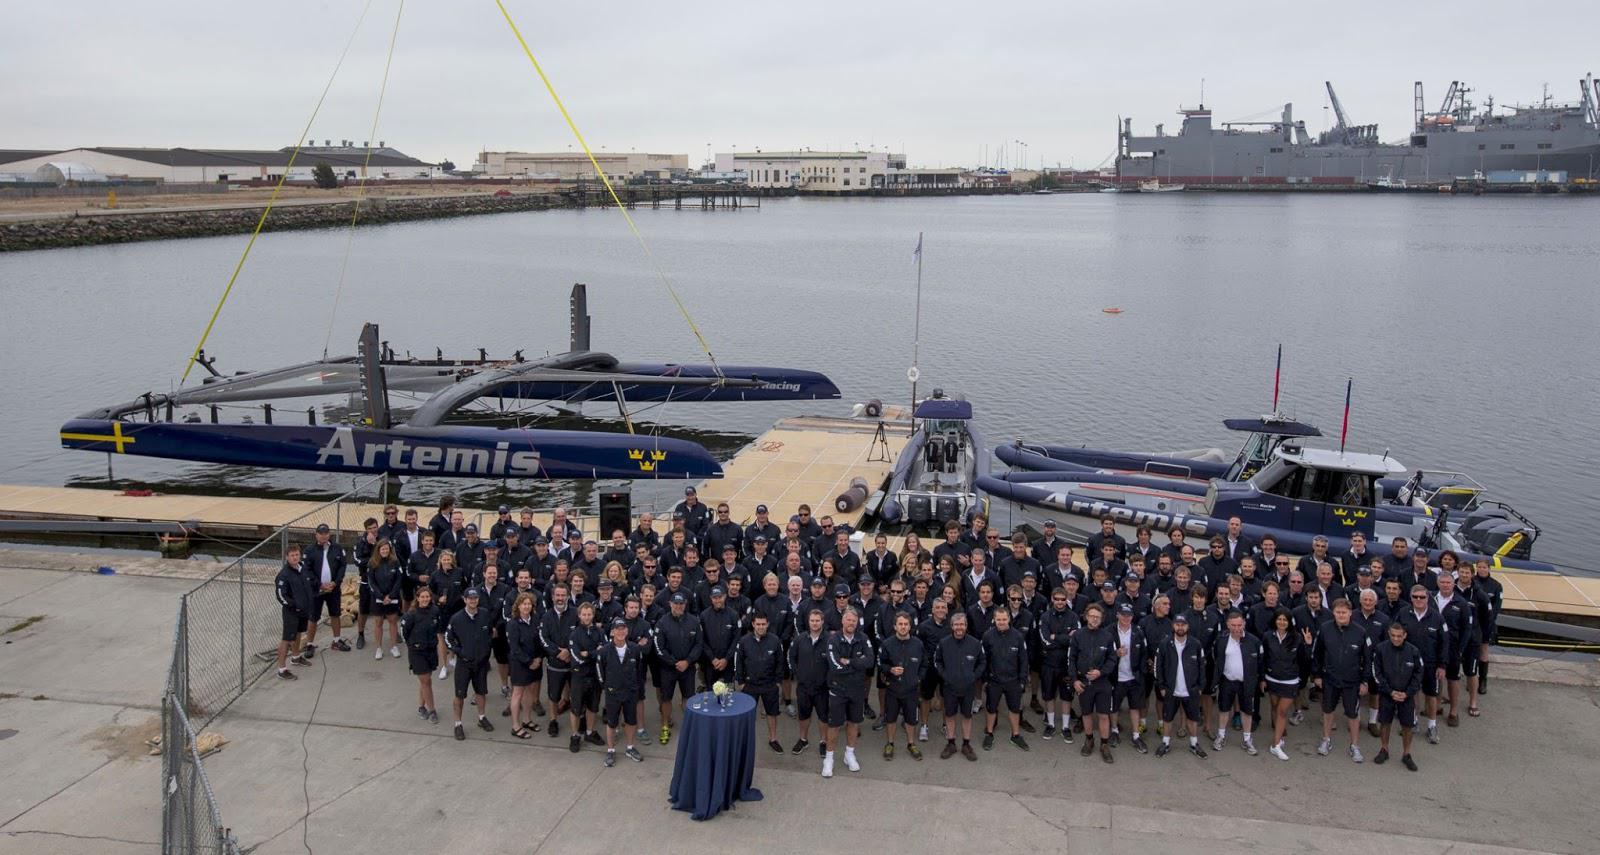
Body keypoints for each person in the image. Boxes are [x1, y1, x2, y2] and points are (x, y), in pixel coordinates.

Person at [1314, 599, 1369, 763]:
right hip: (1330, 679)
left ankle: (1354, 745)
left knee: (1352, 714)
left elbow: (1367, 659)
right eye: (1338, 612)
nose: (1341, 615)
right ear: (1333, 613)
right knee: (1328, 710)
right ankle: (1326, 740)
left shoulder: (1360, 632)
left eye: (1344, 612)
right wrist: (1317, 675)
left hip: (1352, 681)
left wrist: (1365, 681)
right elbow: (1317, 654)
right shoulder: (1325, 629)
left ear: (1350, 613)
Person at [821, 608, 872, 778]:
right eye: (848, 620)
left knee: (854, 722)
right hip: (838, 688)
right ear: (842, 621)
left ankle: (849, 754)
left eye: (854, 621)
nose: (851, 623)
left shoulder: (863, 638)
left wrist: (849, 662)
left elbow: (870, 660)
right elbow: (834, 665)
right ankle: (829, 758)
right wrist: (857, 664)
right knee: (834, 725)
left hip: (857, 689)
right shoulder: (833, 639)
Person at [1397, 584, 1447, 745]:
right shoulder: (1403, 614)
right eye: (1415, 597)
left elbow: (1444, 643)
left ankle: (1432, 726)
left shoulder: (1437, 617)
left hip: (1431, 663)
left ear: (1427, 598)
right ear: (1411, 598)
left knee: (1431, 695)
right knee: (1412, 693)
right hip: (1409, 662)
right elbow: (1395, 636)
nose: (1419, 600)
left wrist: (1442, 665)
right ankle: (1414, 720)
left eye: (1422, 597)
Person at [1371, 620, 1423, 771]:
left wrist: (1407, 693)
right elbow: (1377, 672)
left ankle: (1406, 754)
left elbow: (1419, 674)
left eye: (1399, 636)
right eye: (1393, 635)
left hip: (1406, 696)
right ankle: (1384, 750)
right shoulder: (1380, 649)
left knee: (1407, 725)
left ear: (1405, 635)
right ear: (1389, 634)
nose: (1395, 639)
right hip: (1388, 694)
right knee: (1385, 722)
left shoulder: (1413, 651)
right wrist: (1390, 691)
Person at [444, 588, 495, 741]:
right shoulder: (456, 618)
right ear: (465, 600)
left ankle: (482, 717)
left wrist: (486, 650)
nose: (473, 601)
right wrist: (459, 651)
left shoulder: (485, 614)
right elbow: (448, 638)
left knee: (481, 692)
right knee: (459, 695)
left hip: (481, 663)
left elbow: (489, 633)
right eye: (470, 598)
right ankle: (458, 724)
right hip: (464, 664)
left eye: (475, 598)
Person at [1070, 602, 1119, 764]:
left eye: (1097, 617)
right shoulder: (1077, 636)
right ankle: (1089, 740)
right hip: (1083, 683)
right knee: (1086, 714)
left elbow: (1112, 659)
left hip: (1103, 682)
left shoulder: (1107, 636)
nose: (1094, 619)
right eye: (1091, 616)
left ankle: (1104, 745)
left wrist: (1101, 672)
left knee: (1104, 715)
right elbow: (1071, 660)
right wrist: (1075, 680)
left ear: (1102, 619)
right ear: (1086, 617)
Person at [1153, 613, 1207, 757]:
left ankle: (1194, 743)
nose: (1180, 627)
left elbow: (1202, 666)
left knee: (1193, 718)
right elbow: (1158, 666)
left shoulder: (1195, 644)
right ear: (1173, 626)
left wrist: (1200, 687)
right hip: (1171, 690)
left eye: (1183, 624)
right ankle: (1165, 742)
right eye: (1177, 624)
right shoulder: (1165, 643)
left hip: (1191, 690)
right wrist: (1162, 686)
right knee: (1168, 718)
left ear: (1188, 626)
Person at [652, 591, 701, 746]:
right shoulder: (662, 622)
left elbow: (699, 645)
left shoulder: (694, 621)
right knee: (666, 699)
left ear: (685, 605)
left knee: (688, 698)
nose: (678, 606)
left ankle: (689, 727)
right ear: (670, 604)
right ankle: (665, 726)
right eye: (676, 603)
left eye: (681, 604)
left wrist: (687, 661)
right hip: (668, 668)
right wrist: (674, 663)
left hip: (688, 667)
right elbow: (659, 647)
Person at [1211, 611, 1262, 755]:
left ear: (1244, 624)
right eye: (1233, 625)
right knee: (1223, 709)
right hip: (1227, 681)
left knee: (1247, 711)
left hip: (1246, 682)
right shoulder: (1221, 640)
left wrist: (1259, 680)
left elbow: (1260, 662)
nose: (1237, 628)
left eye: (1240, 625)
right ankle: (1221, 736)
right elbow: (1217, 658)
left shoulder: (1254, 641)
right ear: (1227, 625)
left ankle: (1247, 739)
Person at [736, 612, 788, 753]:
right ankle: (746, 740)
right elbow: (739, 663)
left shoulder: (775, 640)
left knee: (772, 713)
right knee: (748, 714)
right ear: (753, 624)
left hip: (769, 685)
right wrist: (741, 682)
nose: (760, 627)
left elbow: (780, 663)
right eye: (758, 624)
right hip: (749, 685)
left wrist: (777, 682)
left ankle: (773, 739)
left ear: (768, 624)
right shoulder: (744, 641)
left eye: (763, 624)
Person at [935, 612, 984, 761]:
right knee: (949, 715)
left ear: (966, 626)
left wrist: (973, 676)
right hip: (950, 687)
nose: (959, 627)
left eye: (962, 624)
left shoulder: (975, 643)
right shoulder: (944, 643)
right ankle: (951, 743)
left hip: (968, 687)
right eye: (956, 624)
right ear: (951, 626)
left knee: (967, 716)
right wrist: (945, 676)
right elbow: (937, 662)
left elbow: (982, 662)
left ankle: (966, 744)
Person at [981, 605, 1030, 752]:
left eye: (1004, 619)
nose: (1001, 622)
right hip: (994, 681)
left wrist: (1022, 680)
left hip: (1013, 681)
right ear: (994, 620)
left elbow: (1024, 660)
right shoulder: (987, 636)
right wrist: (985, 679)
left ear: (1009, 619)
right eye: (998, 619)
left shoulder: (1018, 636)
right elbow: (983, 659)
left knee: (1014, 709)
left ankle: (1015, 735)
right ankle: (989, 733)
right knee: (991, 708)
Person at [877, 612, 926, 760]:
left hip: (911, 690)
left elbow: (925, 663)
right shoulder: (887, 644)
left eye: (906, 624)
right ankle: (890, 743)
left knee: (911, 720)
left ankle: (911, 744)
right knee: (890, 718)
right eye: (900, 624)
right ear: (895, 626)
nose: (903, 627)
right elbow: (881, 664)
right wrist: (890, 670)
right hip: (892, 689)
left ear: (910, 626)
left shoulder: (918, 644)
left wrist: (918, 678)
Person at [598, 618, 645, 767]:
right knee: (612, 722)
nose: (621, 631)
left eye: (623, 628)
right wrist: (607, 687)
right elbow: (600, 673)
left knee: (631, 721)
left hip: (631, 692)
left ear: (627, 631)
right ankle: (611, 750)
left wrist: (637, 689)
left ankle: (630, 748)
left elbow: (640, 671)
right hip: (613, 693)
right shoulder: (604, 651)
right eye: (617, 628)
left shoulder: (635, 649)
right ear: (612, 631)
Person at [1037, 586, 1079, 743]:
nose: (1060, 602)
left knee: (1067, 697)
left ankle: (1066, 727)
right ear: (1052, 599)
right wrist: (1063, 638)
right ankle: (1051, 724)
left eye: (1063, 599)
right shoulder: (1045, 617)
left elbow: (1075, 641)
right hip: (1049, 663)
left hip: (1067, 664)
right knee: (1049, 695)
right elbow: (1045, 641)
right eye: (1057, 599)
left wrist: (1056, 637)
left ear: (1066, 599)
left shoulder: (1074, 617)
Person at [1261, 607, 1303, 761]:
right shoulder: (1267, 636)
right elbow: (1263, 658)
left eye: (1285, 619)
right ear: (1275, 620)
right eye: (1279, 619)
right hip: (1271, 678)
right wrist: (1262, 678)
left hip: (1290, 680)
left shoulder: (1297, 637)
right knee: (1274, 706)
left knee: (1282, 711)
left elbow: (1302, 659)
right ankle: (1278, 732)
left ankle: (1276, 744)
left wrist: (1309, 644)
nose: (1282, 622)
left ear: (1289, 622)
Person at [302, 523, 351, 656]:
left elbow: (342, 566)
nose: (324, 536)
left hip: (333, 589)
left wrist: (335, 582)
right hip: (316, 590)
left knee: (335, 614)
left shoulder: (337, 548)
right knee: (313, 617)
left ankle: (336, 641)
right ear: (316, 535)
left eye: (326, 533)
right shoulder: (309, 550)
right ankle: (310, 645)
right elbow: (307, 571)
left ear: (329, 534)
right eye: (321, 533)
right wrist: (320, 585)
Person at [1108, 603, 1149, 753]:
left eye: (1129, 615)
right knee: (1114, 707)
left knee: (1135, 707)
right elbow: (1103, 653)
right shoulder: (1109, 631)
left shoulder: (1138, 631)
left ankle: (1136, 735)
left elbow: (1145, 652)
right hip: (1116, 677)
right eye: (1123, 614)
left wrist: (1141, 672)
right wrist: (1115, 653)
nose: (1126, 618)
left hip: (1134, 677)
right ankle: (1114, 731)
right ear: (1117, 614)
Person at [789, 608, 831, 756]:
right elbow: (791, 657)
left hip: (823, 688)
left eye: (817, 621)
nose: (814, 623)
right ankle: (803, 739)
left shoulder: (830, 640)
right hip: (804, 687)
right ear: (808, 622)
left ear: (822, 621)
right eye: (812, 620)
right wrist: (797, 673)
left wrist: (828, 680)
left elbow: (834, 662)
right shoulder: (800, 639)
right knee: (803, 715)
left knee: (823, 717)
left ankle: (823, 742)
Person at [565, 602, 606, 752]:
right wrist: (594, 652)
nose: (587, 617)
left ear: (593, 615)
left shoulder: (600, 632)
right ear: (579, 615)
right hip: (579, 676)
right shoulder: (574, 634)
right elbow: (577, 658)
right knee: (576, 708)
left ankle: (589, 732)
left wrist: (588, 653)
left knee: (593, 706)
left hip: (595, 675)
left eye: (590, 614)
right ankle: (575, 735)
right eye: (584, 614)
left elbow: (604, 651)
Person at [539, 583, 578, 737]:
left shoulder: (576, 614)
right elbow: (543, 637)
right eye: (558, 595)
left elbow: (581, 634)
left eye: (563, 595)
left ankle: (578, 720)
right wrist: (557, 652)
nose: (560, 598)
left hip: (573, 663)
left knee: (576, 695)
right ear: (553, 597)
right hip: (555, 663)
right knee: (553, 695)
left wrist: (569, 651)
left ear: (568, 596)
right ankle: (553, 721)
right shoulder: (546, 616)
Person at [399, 586, 442, 723]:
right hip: (417, 652)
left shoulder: (435, 610)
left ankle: (421, 707)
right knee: (426, 681)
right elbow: (404, 632)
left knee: (425, 681)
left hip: (431, 650)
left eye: (427, 597)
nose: (425, 599)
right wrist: (412, 645)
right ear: (417, 598)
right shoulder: (411, 614)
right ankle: (432, 710)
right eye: (422, 597)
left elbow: (437, 627)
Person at [506, 591, 544, 738]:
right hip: (520, 664)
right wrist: (529, 662)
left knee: (529, 692)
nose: (527, 606)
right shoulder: (513, 623)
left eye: (529, 604)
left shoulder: (536, 620)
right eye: (524, 604)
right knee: (517, 693)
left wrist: (539, 658)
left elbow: (540, 641)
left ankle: (527, 720)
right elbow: (515, 648)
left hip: (535, 662)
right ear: (518, 606)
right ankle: (516, 726)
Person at [274, 545, 313, 678]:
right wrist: (294, 605)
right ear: (287, 557)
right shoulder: (283, 575)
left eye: (297, 554)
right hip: (291, 612)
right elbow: (280, 595)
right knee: (286, 639)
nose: (295, 557)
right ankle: (281, 669)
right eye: (292, 555)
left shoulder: (303, 569)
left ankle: (296, 657)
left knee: (298, 633)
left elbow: (308, 585)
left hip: (303, 610)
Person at [368, 540, 404, 661]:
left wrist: (391, 596)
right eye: (382, 549)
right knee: (378, 623)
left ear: (390, 549)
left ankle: (394, 646)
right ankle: (378, 648)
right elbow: (371, 582)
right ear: (378, 550)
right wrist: (381, 597)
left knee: (393, 622)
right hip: (378, 599)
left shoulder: (395, 562)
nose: (385, 551)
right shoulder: (372, 563)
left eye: (386, 549)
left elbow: (399, 580)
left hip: (392, 599)